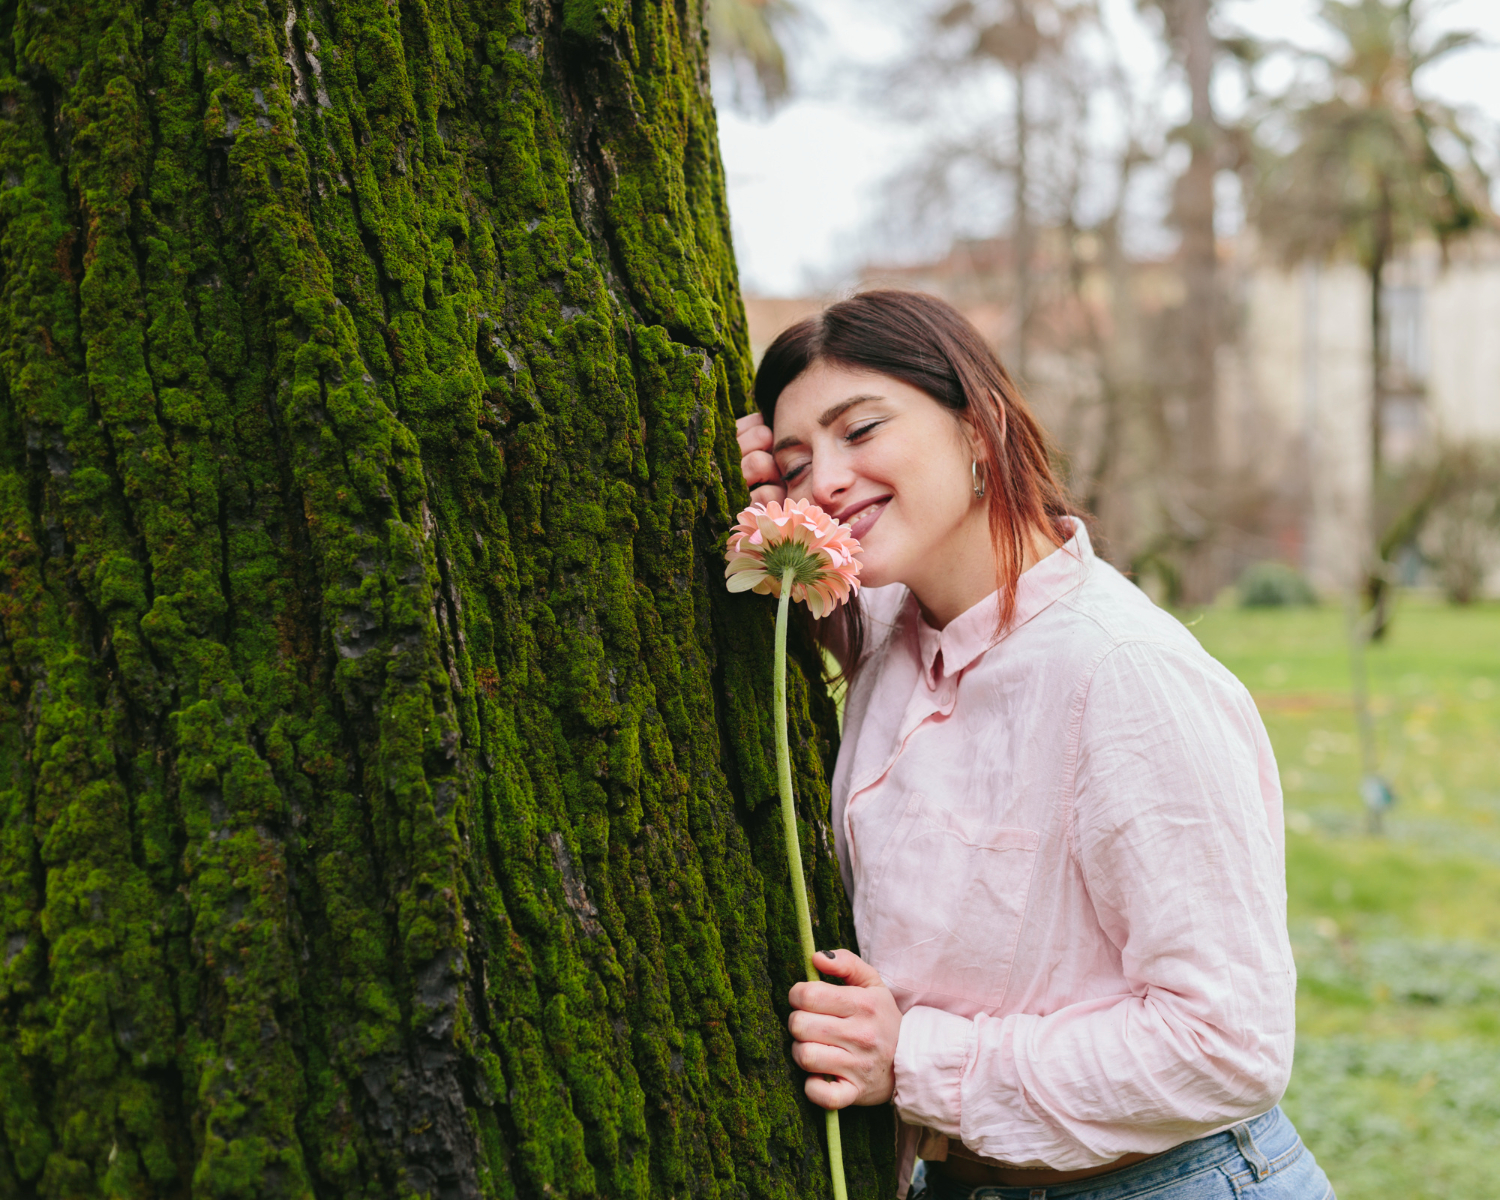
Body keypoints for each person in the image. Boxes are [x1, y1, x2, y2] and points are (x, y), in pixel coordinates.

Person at [735, 290, 1334, 1200]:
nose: (824, 480)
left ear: (980, 432)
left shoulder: (1122, 673)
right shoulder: (896, 629)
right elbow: (828, 599)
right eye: (797, 460)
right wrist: (767, 515)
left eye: (860, 431)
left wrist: (915, 1060)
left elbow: (1229, 1045)